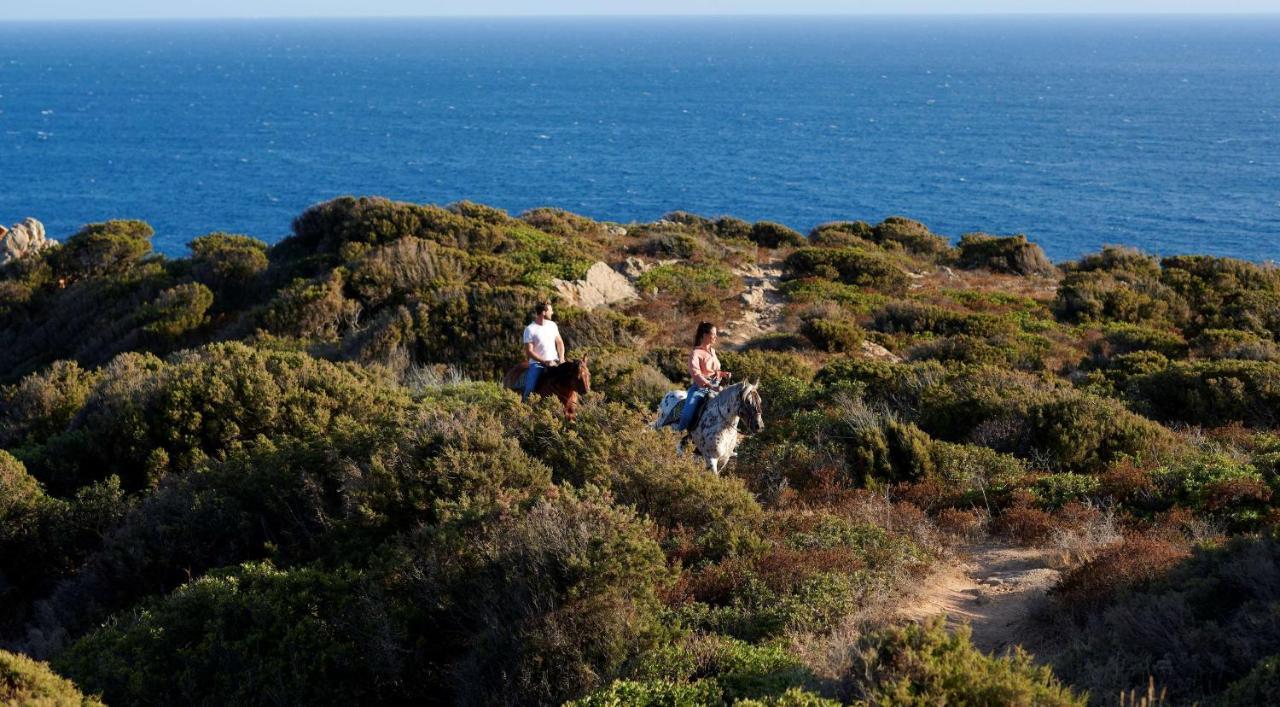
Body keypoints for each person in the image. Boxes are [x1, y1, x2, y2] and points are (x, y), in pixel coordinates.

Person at [674, 321, 732, 435]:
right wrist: (711, 386)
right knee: (687, 415)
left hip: (716, 388)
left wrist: (723, 374)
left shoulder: (713, 351)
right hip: (700, 390)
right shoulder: (695, 353)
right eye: (713, 334)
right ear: (705, 335)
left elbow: (714, 371)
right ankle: (678, 437)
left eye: (716, 334)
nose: (716, 336)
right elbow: (696, 374)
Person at [521, 301, 565, 402]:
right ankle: (525, 407)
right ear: (544, 312)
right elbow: (529, 352)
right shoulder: (530, 329)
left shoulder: (553, 325)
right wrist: (545, 361)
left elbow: (560, 343)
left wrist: (561, 358)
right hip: (537, 364)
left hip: (555, 362)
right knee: (530, 388)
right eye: (550, 310)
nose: (552, 312)